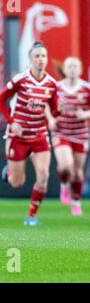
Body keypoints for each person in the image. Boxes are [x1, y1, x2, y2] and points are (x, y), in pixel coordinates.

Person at [0, 41, 60, 226]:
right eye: (37, 56)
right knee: (17, 182)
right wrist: (12, 122)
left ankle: (31, 216)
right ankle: (9, 169)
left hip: (40, 135)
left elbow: (55, 110)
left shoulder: (51, 84)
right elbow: (1, 99)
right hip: (19, 135)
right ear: (30, 60)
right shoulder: (21, 80)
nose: (40, 60)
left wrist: (55, 117)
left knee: (43, 177)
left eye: (43, 56)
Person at [46, 57, 90, 216]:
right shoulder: (55, 88)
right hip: (61, 131)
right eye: (69, 66)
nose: (72, 69)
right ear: (64, 69)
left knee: (78, 172)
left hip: (80, 134)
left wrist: (85, 114)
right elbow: (45, 104)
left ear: (80, 69)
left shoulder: (86, 88)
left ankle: (76, 202)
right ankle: (64, 184)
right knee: (66, 165)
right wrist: (50, 119)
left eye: (75, 66)